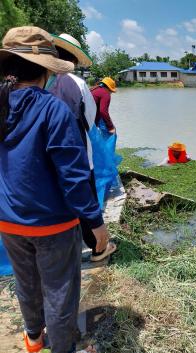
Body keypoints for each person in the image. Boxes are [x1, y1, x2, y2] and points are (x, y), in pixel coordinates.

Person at [0, 26, 106, 353]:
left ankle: (33, 338)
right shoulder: (52, 109)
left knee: (26, 282)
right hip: (52, 224)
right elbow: (74, 179)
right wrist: (96, 224)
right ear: (46, 70)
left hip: (8, 221)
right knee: (60, 292)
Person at [48, 33, 116, 262]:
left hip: (44, 158)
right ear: (74, 60)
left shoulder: (41, 80)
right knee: (85, 198)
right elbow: (90, 119)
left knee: (57, 198)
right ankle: (98, 247)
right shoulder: (77, 83)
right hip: (76, 153)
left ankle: (63, 247)